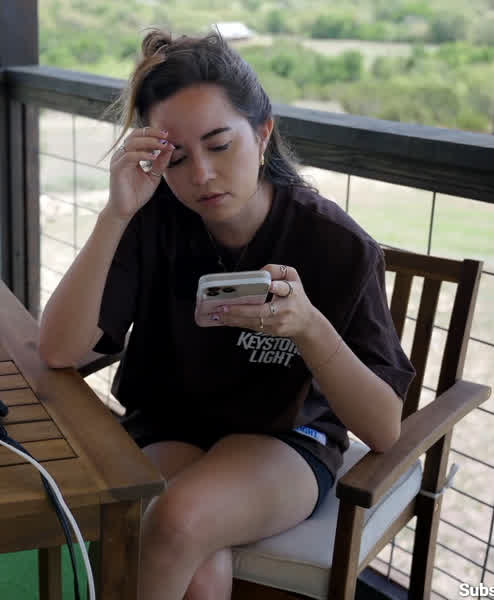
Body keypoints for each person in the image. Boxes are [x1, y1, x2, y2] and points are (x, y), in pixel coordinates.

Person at [39, 28, 415, 600]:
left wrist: (309, 327)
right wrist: (115, 214)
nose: (201, 176)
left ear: (263, 133)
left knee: (175, 520)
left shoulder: (334, 244)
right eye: (177, 158)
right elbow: (58, 349)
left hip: (286, 439)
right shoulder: (154, 219)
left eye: (219, 145)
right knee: (198, 568)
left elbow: (385, 428)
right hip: (171, 426)